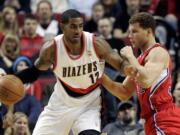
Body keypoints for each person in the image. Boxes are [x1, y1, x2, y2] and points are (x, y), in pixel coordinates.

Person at [9, 9, 125, 135]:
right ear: (63, 26)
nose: (78, 31)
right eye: (73, 27)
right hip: (60, 105)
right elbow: (34, 72)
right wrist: (14, 80)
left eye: (80, 26)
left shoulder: (96, 43)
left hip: (89, 105)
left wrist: (132, 68)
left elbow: (120, 64)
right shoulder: (51, 49)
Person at [102, 12, 180, 135]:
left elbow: (146, 80)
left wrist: (130, 56)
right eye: (129, 32)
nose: (129, 36)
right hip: (151, 120)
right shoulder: (139, 60)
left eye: (134, 31)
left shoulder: (158, 52)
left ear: (148, 32)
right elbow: (123, 93)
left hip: (165, 117)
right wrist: (99, 76)